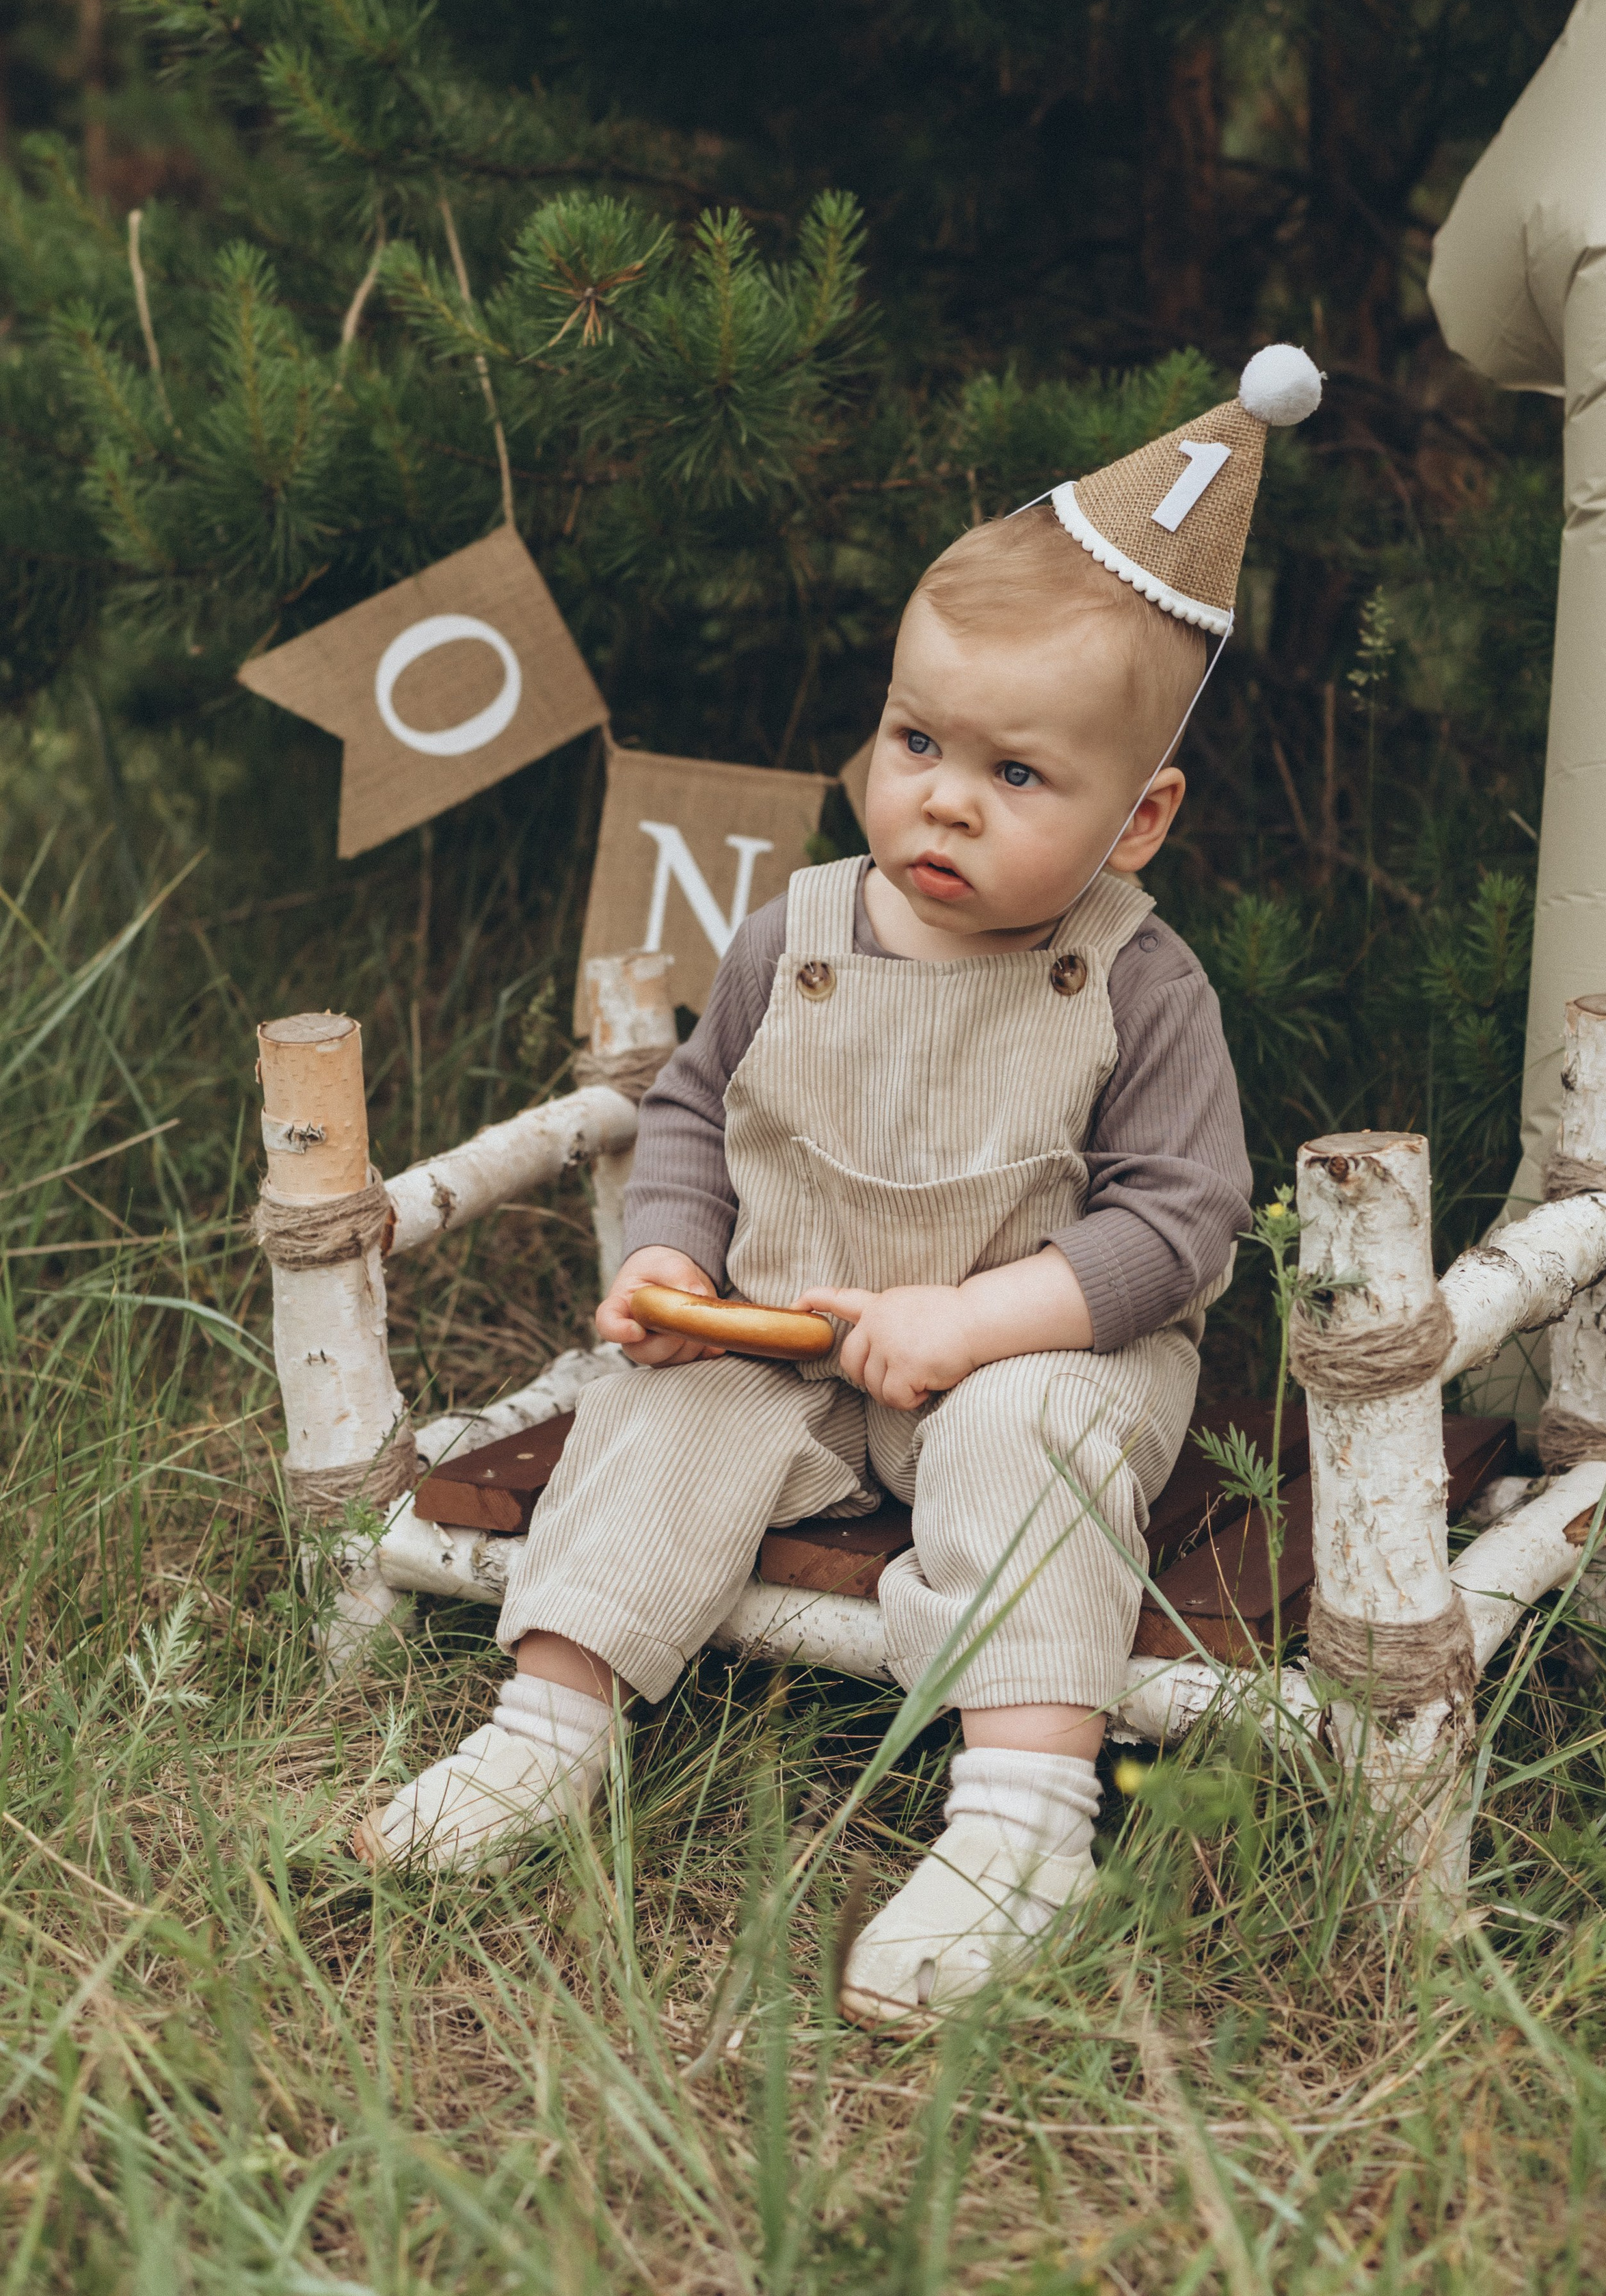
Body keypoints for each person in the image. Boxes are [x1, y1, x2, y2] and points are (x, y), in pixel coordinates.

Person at [358, 347, 1322, 2029]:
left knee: (1029, 1444)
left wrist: (975, 1324)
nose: (942, 796)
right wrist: (668, 1263)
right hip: (790, 1332)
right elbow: (688, 1117)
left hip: (1036, 1348)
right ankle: (547, 1725)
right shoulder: (786, 934)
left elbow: (1176, 1228)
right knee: (652, 1419)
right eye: (915, 739)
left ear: (1138, 818)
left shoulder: (1133, 983)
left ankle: (1022, 1821)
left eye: (1017, 777)